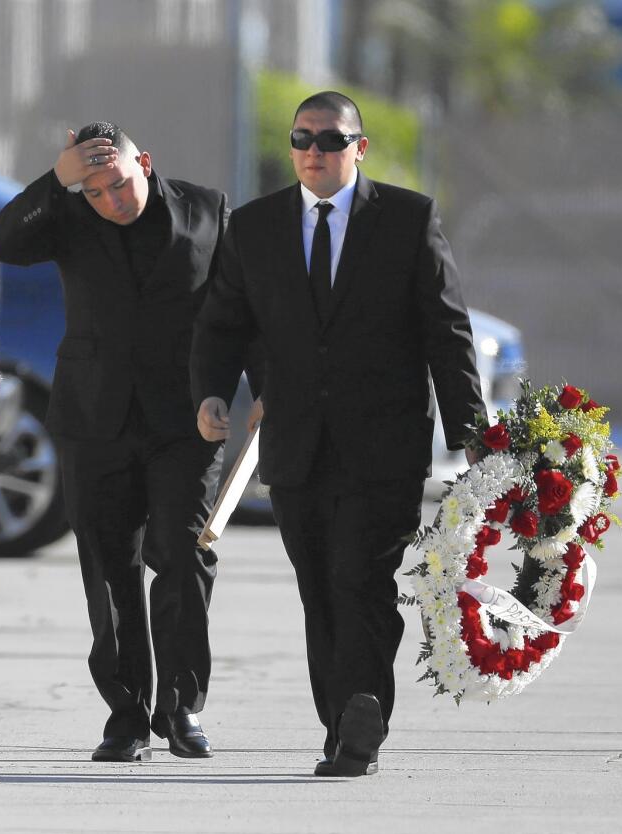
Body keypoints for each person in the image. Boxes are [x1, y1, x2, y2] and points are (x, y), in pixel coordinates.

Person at [192, 91, 485, 777]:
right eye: (302, 140)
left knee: (362, 578)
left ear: (360, 147)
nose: (314, 152)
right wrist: (211, 392)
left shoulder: (408, 220)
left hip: (382, 444)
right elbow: (222, 321)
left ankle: (362, 713)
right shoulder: (257, 226)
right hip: (295, 443)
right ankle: (341, 722)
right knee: (320, 588)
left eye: (329, 140)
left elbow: (447, 330)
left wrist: (468, 428)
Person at [0, 122, 232, 763]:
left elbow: (239, 309)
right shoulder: (67, 213)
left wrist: (239, 391)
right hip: (93, 418)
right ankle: (126, 715)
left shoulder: (207, 209)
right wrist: (58, 178)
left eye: (117, 183)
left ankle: (181, 707)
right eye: (93, 190)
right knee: (108, 566)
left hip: (188, 419)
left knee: (183, 554)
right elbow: (2, 241)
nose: (109, 200)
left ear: (144, 163)